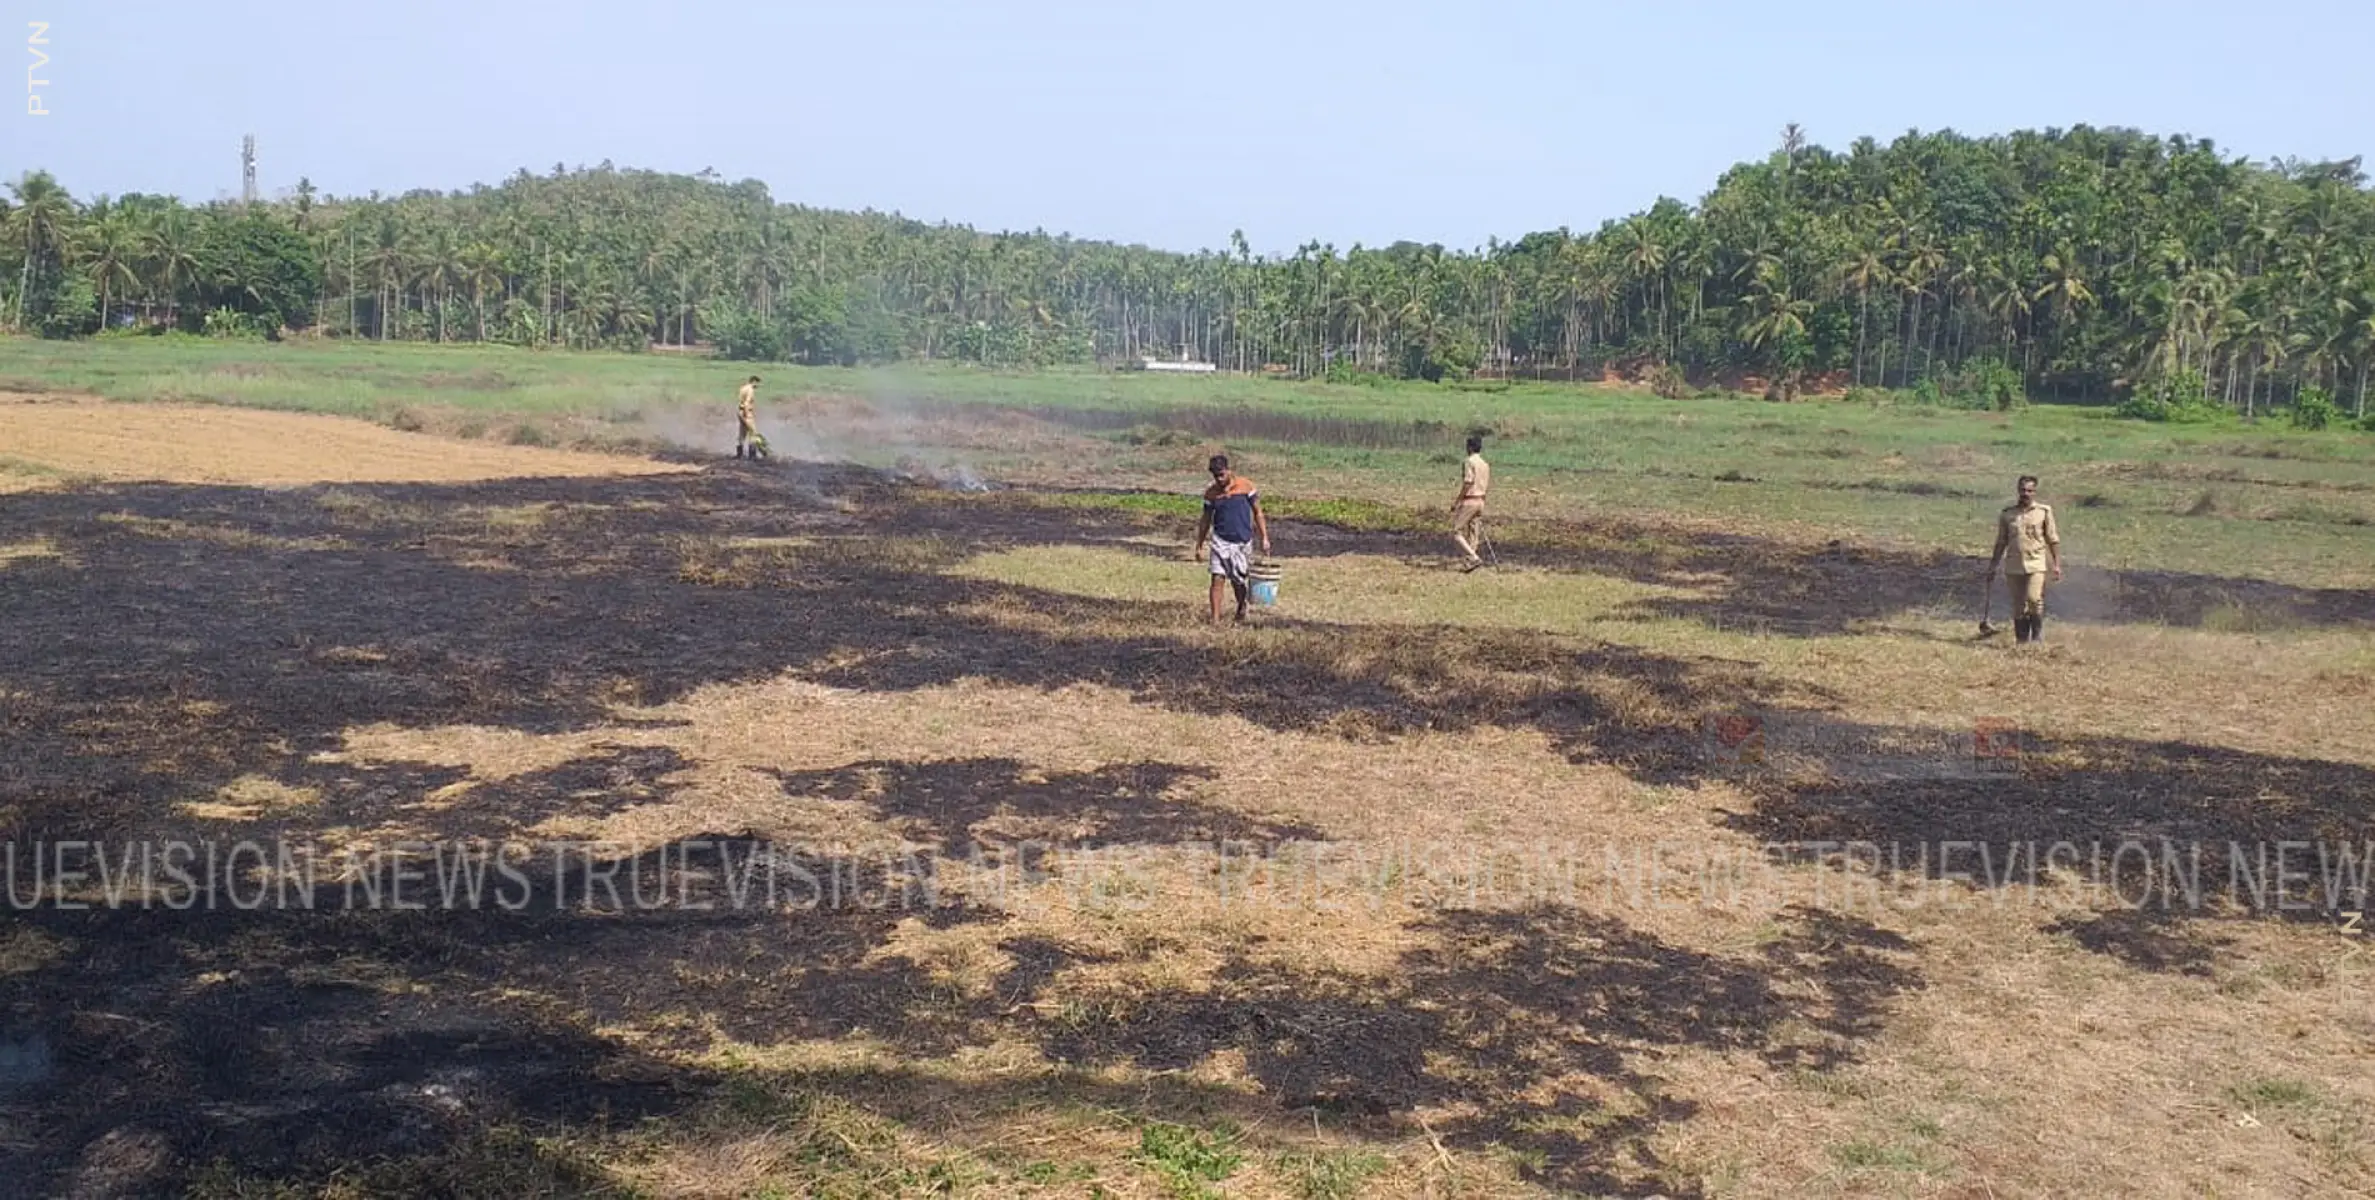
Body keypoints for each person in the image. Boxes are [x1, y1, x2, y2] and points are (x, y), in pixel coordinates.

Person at [1194, 453, 1270, 623]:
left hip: (1242, 541)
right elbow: (1205, 519)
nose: (1219, 479)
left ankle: (1241, 607)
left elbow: (1258, 512)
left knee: (1238, 581)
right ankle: (1215, 620)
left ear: (1229, 470)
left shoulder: (1246, 487)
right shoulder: (1211, 494)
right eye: (1215, 476)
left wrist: (1264, 537)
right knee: (1217, 578)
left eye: (1221, 474)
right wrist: (1199, 544)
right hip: (1220, 540)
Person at [1987, 474, 2062, 643]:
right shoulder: (2008, 514)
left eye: (2029, 490)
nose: (2025, 493)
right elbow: (2001, 542)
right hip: (2014, 565)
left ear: (2034, 492)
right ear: (2017, 491)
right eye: (2022, 490)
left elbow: (2053, 539)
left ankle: (2036, 639)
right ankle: (2021, 642)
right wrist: (1993, 566)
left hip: (2036, 563)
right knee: (2018, 605)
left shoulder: (2043, 512)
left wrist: (2057, 565)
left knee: (2034, 599)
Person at [1450, 434, 1491, 570]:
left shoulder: (1469, 462)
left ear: (1470, 447)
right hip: (1481, 500)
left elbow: (1468, 482)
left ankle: (1473, 557)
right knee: (1474, 532)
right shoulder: (1485, 464)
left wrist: (1458, 501)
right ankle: (1470, 561)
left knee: (1456, 531)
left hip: (1470, 500)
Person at [735, 375, 770, 460]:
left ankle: (739, 454)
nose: (758, 386)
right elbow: (747, 403)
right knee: (753, 433)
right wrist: (747, 415)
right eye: (757, 384)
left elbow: (741, 400)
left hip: (740, 411)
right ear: (754, 381)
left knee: (742, 433)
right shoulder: (750, 390)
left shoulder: (743, 388)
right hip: (747, 413)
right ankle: (752, 455)